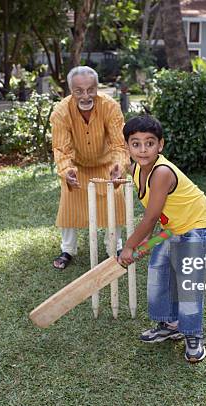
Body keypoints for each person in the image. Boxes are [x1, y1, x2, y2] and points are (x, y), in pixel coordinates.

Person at [117, 115, 206, 363]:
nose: (142, 149)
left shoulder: (161, 172)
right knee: (159, 274)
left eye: (149, 143)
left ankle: (193, 334)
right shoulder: (137, 168)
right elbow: (152, 205)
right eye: (135, 143)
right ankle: (170, 325)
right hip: (171, 227)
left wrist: (129, 246)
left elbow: (149, 218)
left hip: (195, 227)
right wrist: (146, 241)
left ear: (160, 145)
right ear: (127, 147)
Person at [50, 66, 129, 270]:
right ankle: (67, 249)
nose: (86, 96)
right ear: (70, 91)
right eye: (79, 91)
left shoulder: (110, 106)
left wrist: (119, 166)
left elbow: (119, 143)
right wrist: (66, 170)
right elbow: (61, 147)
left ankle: (115, 246)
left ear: (97, 87)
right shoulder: (61, 111)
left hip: (106, 165)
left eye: (90, 89)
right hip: (76, 167)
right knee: (69, 204)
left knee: (116, 200)